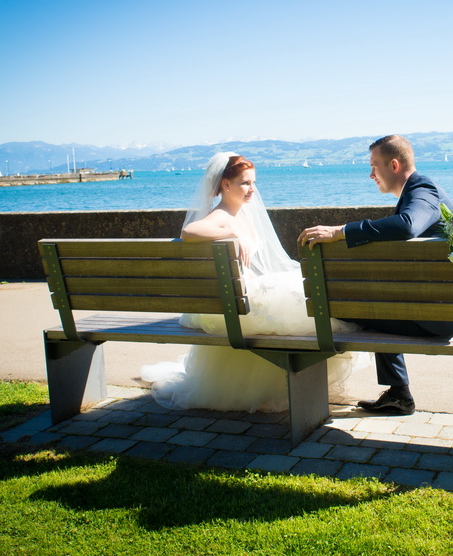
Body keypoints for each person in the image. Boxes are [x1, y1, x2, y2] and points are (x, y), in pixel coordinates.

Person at [141, 152, 367, 412]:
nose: (252, 189)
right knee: (313, 306)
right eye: (245, 183)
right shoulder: (223, 216)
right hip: (238, 303)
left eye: (253, 182)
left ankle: (281, 384)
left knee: (304, 297)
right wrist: (231, 232)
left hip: (237, 299)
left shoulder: (242, 213)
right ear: (226, 185)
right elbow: (188, 232)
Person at [298, 135, 453, 416]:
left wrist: (341, 231)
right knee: (370, 306)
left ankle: (396, 394)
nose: (370, 175)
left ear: (394, 165)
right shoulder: (415, 192)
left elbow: (408, 225)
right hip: (444, 307)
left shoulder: (423, 188)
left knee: (350, 312)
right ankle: (398, 394)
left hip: (446, 314)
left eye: (374, 166)